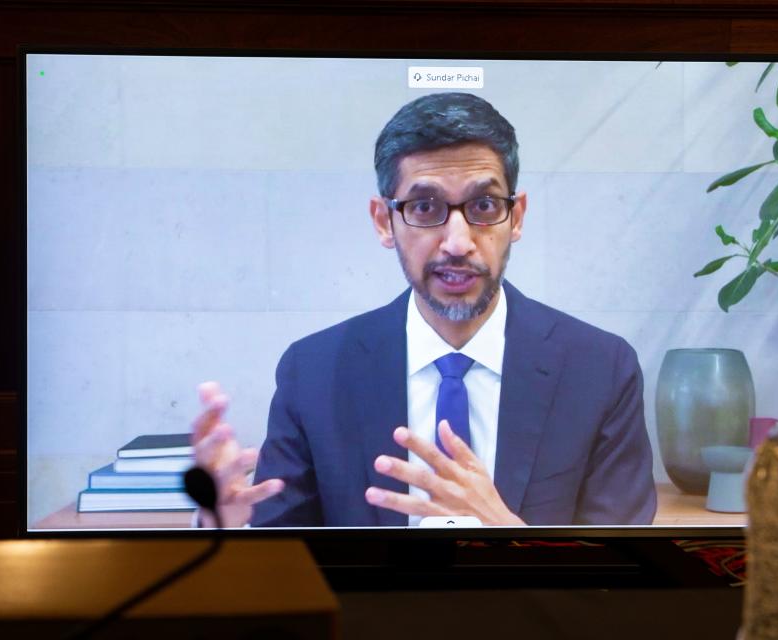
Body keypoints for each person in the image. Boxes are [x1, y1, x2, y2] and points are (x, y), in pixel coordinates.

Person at [192, 92, 657, 528]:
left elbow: (623, 591)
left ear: (516, 217)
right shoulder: (313, 372)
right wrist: (226, 529)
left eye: (484, 204)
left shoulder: (600, 370)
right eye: (425, 206)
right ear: (384, 221)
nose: (457, 242)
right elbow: (285, 573)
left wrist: (510, 536)